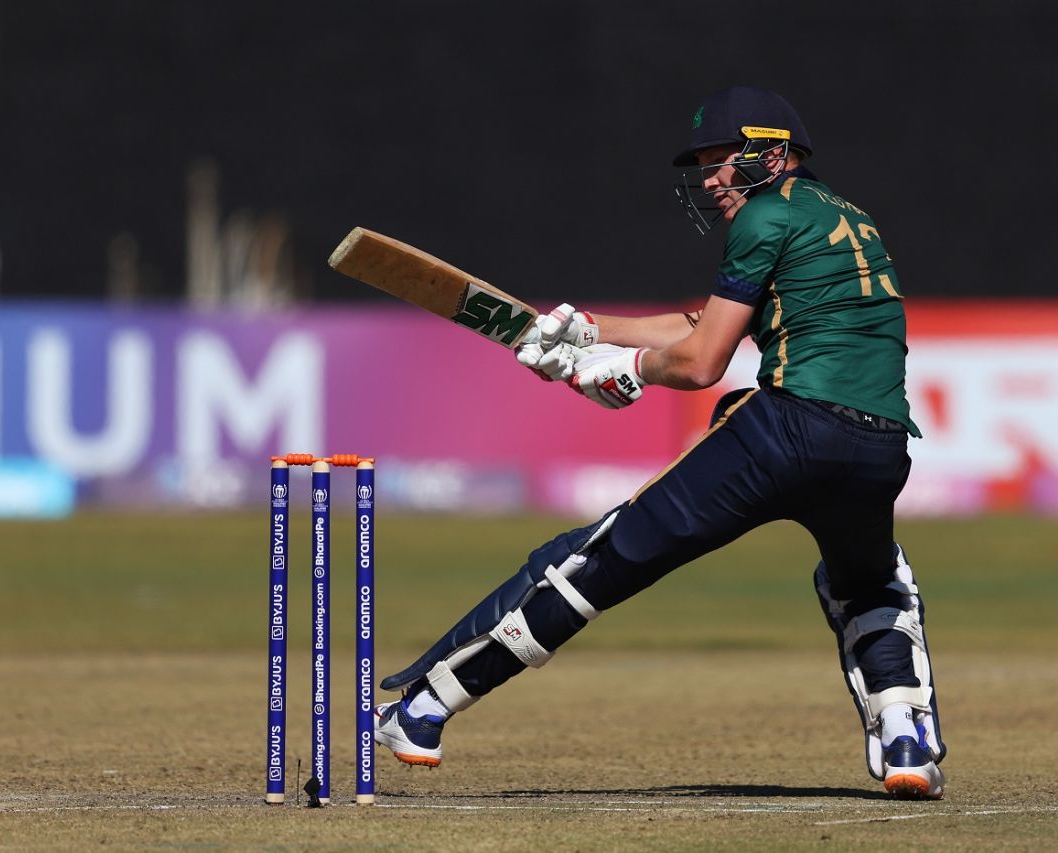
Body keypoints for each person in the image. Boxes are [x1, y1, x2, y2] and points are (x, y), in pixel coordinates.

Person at [373, 85, 947, 800]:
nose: (709, 179)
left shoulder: (763, 215)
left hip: (786, 431)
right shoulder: (844, 218)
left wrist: (625, 372)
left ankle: (425, 707)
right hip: (878, 448)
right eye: (703, 165)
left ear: (773, 152)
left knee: (602, 557)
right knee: (869, 582)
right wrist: (588, 329)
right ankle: (906, 740)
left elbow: (701, 360)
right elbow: (702, 318)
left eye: (719, 160)